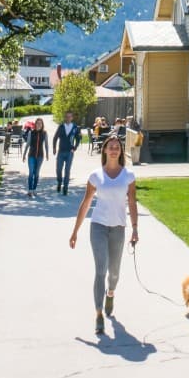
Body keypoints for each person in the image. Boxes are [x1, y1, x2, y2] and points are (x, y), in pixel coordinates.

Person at [69, 131, 138, 335]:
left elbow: (132, 203)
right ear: (105, 150)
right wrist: (75, 231)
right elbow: (86, 203)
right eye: (111, 146)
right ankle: (98, 313)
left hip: (118, 227)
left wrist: (135, 228)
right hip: (98, 226)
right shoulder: (95, 176)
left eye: (117, 147)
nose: (114, 149)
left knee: (114, 272)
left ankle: (111, 293)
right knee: (101, 269)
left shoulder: (128, 176)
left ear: (120, 151)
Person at [52, 112, 81, 195]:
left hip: (69, 152)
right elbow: (55, 137)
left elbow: (78, 138)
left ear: (72, 118)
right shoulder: (61, 127)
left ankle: (65, 187)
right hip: (61, 151)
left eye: (69, 117)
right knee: (58, 169)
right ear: (65, 118)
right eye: (66, 117)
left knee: (67, 170)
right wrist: (54, 148)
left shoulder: (75, 127)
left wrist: (75, 148)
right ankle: (59, 182)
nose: (68, 118)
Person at [24, 117, 48, 196]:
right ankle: (30, 190)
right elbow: (27, 144)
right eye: (37, 123)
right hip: (31, 155)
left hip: (40, 156)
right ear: (35, 124)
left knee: (36, 173)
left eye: (40, 123)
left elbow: (46, 145)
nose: (39, 125)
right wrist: (24, 154)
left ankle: (34, 189)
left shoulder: (44, 133)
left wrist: (47, 154)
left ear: (42, 125)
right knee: (31, 173)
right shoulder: (31, 132)